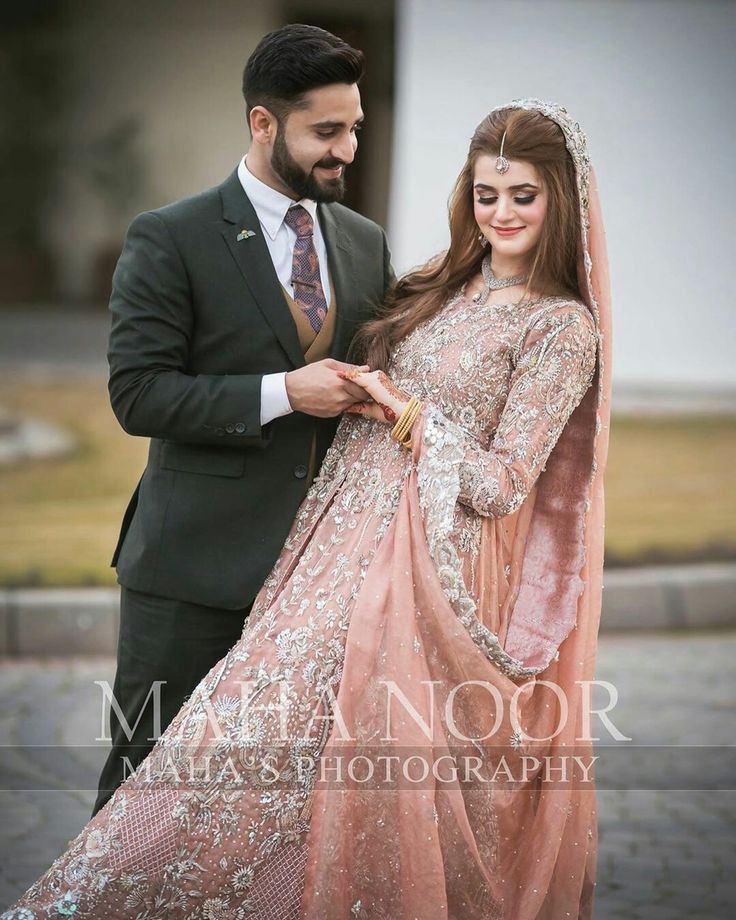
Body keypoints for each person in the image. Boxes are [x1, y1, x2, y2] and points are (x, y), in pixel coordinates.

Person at [3, 99, 612, 920]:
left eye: (523, 197)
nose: (501, 214)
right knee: (230, 742)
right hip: (323, 550)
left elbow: (504, 483)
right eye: (486, 194)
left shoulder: (563, 329)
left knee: (321, 766)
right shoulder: (440, 281)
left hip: (415, 572)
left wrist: (405, 412)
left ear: (560, 201)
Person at [92, 24, 393, 816]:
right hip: (189, 576)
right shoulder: (171, 237)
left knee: (280, 809)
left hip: (319, 584)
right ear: (263, 124)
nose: (348, 150)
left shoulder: (364, 244)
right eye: (326, 131)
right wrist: (285, 392)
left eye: (354, 127)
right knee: (142, 793)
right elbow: (140, 395)